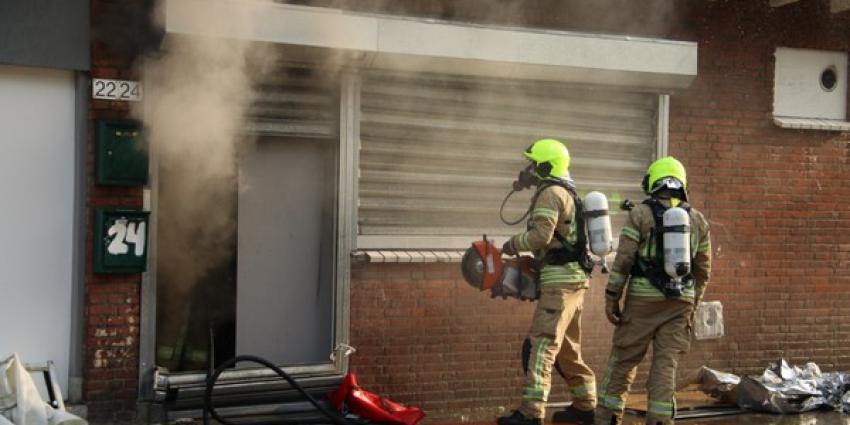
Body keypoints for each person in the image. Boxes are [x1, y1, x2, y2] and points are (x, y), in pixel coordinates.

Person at [594, 157, 712, 425]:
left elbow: (624, 260)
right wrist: (692, 306)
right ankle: (660, 420)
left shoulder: (640, 214)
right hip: (681, 301)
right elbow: (703, 271)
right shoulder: (698, 220)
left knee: (624, 359)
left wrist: (612, 297)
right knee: (665, 365)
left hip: (643, 300)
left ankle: (608, 417)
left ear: (652, 182)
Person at [498, 138, 596, 425]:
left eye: (533, 163)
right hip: (574, 280)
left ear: (545, 166)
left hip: (560, 284)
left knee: (541, 346)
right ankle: (585, 406)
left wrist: (512, 244)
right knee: (567, 349)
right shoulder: (567, 191)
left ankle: (531, 413)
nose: (528, 169)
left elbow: (541, 236)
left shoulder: (551, 193)